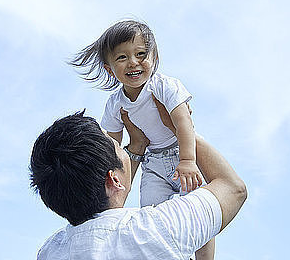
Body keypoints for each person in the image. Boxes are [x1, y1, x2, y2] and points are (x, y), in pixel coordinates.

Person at [30, 96, 247, 259]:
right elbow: (233, 188)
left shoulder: (50, 251)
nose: (122, 148)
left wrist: (136, 148)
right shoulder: (156, 229)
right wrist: (179, 130)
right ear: (113, 180)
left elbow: (109, 196)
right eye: (118, 146)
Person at [69, 19, 215, 259]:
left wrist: (188, 159)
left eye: (140, 54)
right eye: (122, 58)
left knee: (198, 212)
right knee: (151, 213)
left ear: (153, 57)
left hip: (181, 154)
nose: (133, 63)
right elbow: (112, 147)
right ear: (109, 69)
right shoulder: (115, 104)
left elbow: (183, 123)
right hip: (153, 163)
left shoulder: (164, 86)